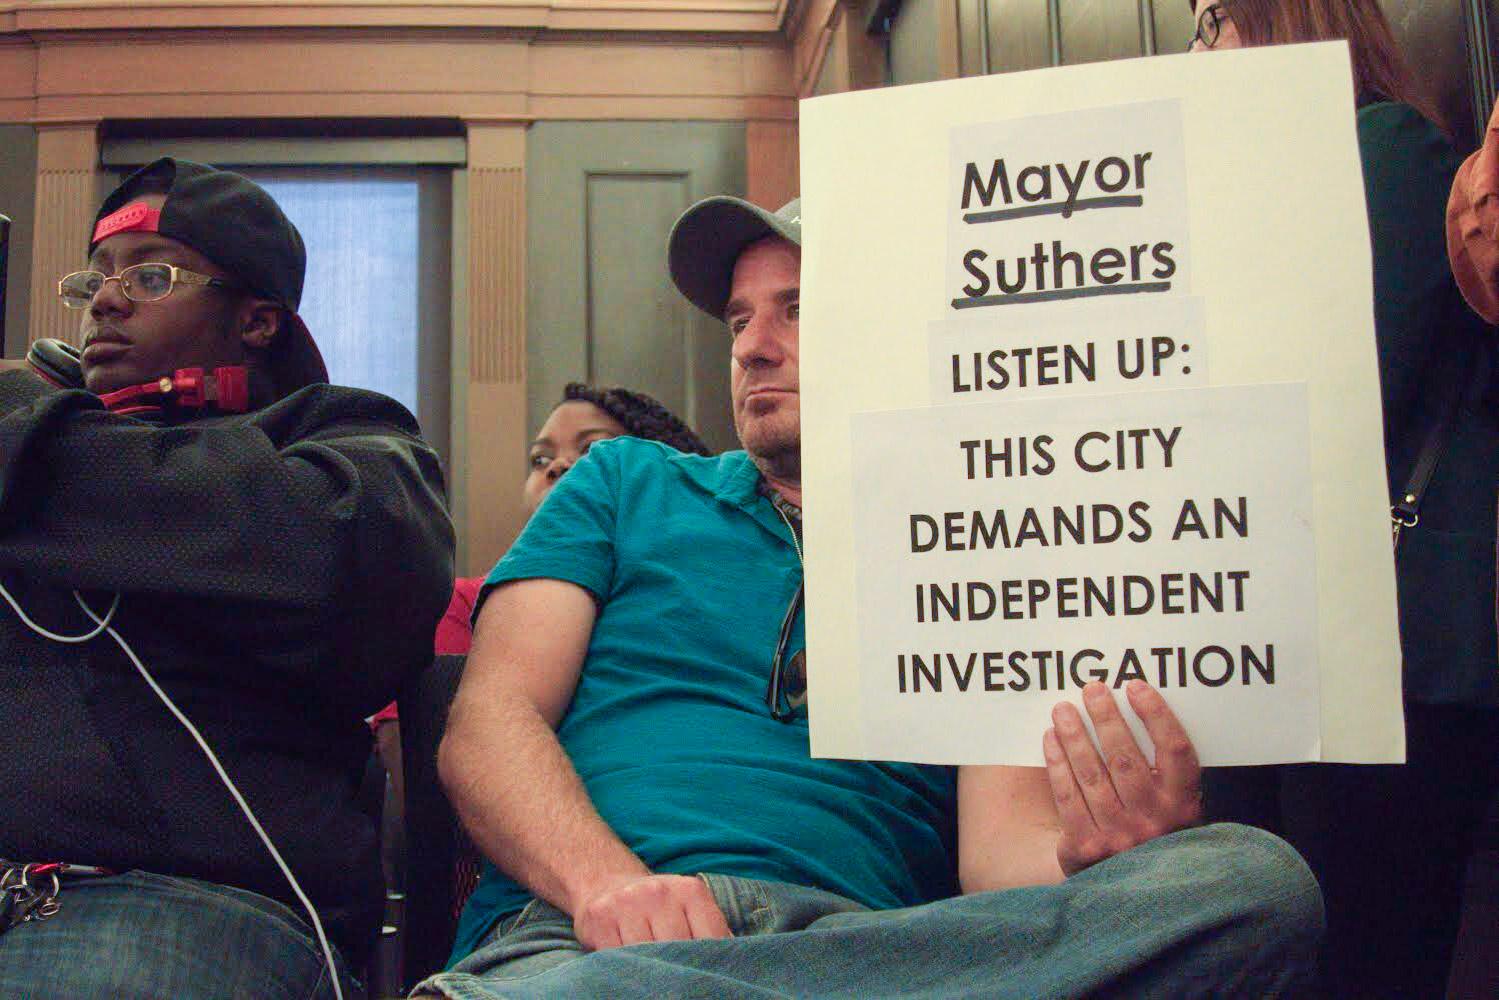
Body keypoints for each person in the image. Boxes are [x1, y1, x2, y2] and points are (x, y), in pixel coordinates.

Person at [418, 194, 1322, 999]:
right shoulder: (624, 481)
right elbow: (487, 722)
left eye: (795, 309)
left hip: (868, 950)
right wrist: (606, 886)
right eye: (737, 319)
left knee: (1247, 883)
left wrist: (1099, 859)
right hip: (589, 942)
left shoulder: (979, 537)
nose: (749, 346)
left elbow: (996, 860)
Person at [0, 157, 454, 999]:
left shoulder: (343, 434)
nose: (105, 299)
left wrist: (27, 443)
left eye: (152, 274)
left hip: (173, 903)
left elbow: (346, 555)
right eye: (94, 279)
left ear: (255, 321)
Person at [1189, 3, 1499, 996]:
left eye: (1211, 20)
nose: (1196, 50)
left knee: (1359, 958)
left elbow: (1348, 386)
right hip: (1274, 647)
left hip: (1387, 661)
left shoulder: (1383, 147)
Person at [370, 383, 710, 805]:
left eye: (592, 451)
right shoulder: (461, 603)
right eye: (540, 459)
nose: (557, 468)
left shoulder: (698, 601)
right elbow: (414, 768)